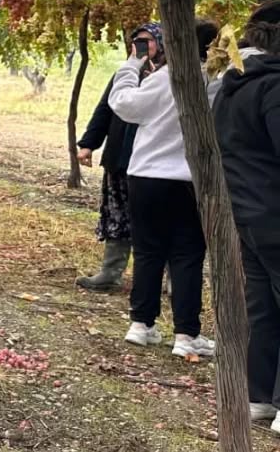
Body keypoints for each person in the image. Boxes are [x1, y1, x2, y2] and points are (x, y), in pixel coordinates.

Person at [109, 18, 219, 361]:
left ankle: (141, 325)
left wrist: (132, 64)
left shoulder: (163, 79)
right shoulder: (217, 82)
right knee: (187, 254)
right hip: (189, 180)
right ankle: (186, 334)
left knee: (148, 250)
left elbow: (124, 104)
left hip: (145, 177)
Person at [214, 0, 280, 429]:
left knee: (262, 308)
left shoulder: (231, 84)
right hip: (275, 212)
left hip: (244, 212)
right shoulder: (275, 86)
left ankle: (258, 398)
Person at [74, 26, 155, 292]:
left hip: (155, 162)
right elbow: (105, 109)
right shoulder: (125, 74)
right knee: (117, 214)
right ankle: (111, 273)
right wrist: (88, 144)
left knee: (157, 219)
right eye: (138, 41)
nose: (141, 45)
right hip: (120, 157)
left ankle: (167, 279)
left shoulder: (172, 76)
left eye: (148, 41)